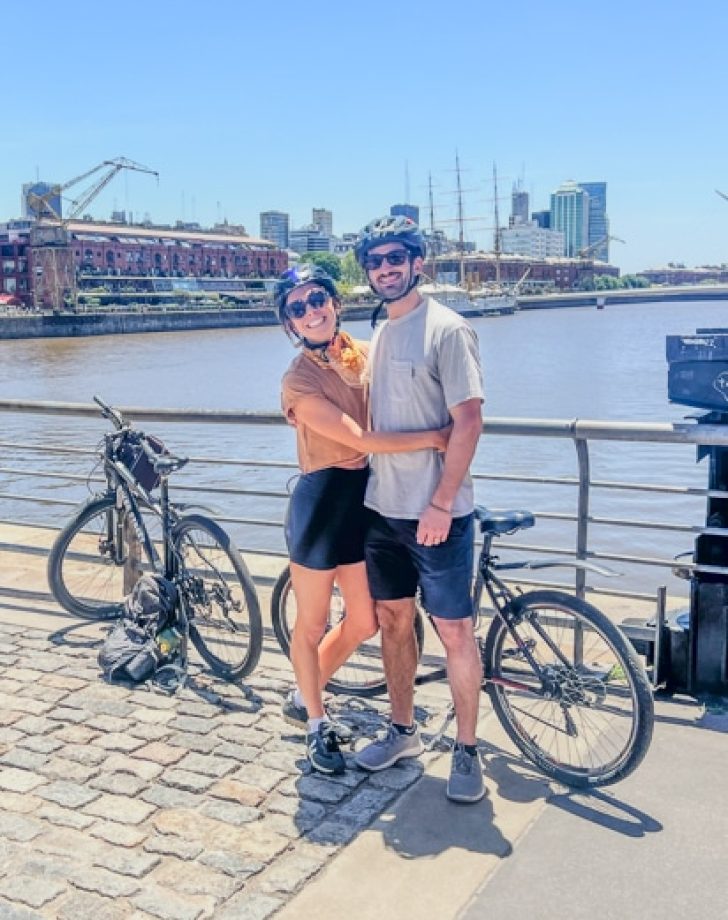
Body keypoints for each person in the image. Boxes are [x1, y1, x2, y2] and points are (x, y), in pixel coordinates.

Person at [275, 264, 449, 776]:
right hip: (321, 504)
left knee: (365, 620)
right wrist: (435, 437)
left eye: (317, 299)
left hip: (365, 498)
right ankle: (314, 722)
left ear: (334, 301)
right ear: (290, 322)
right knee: (311, 624)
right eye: (298, 308)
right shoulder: (298, 379)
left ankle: (305, 689)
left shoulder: (365, 354)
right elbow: (362, 438)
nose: (312, 311)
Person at [352, 216, 486, 803]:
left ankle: (467, 749)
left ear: (417, 262)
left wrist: (440, 502)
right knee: (392, 622)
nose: (385, 268)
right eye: (375, 261)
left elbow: (470, 420)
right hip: (382, 510)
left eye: (395, 258)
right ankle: (403, 730)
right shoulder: (380, 332)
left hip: (438, 516)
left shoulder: (447, 329)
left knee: (454, 630)